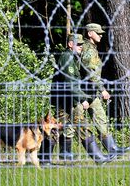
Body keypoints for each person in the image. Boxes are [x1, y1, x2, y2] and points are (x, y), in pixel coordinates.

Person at [39, 33, 115, 165]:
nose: (81, 46)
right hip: (64, 101)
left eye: (81, 44)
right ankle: (98, 158)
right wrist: (82, 99)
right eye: (78, 44)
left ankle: (45, 159)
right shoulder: (67, 58)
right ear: (70, 44)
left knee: (58, 128)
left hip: (68, 101)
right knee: (80, 127)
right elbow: (70, 83)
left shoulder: (72, 58)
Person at [81, 23, 130, 157]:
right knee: (69, 125)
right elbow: (90, 73)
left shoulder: (91, 48)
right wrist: (102, 89)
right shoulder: (88, 49)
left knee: (101, 118)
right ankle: (47, 155)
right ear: (90, 33)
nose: (101, 35)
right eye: (98, 33)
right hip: (83, 92)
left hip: (90, 92)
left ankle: (112, 148)